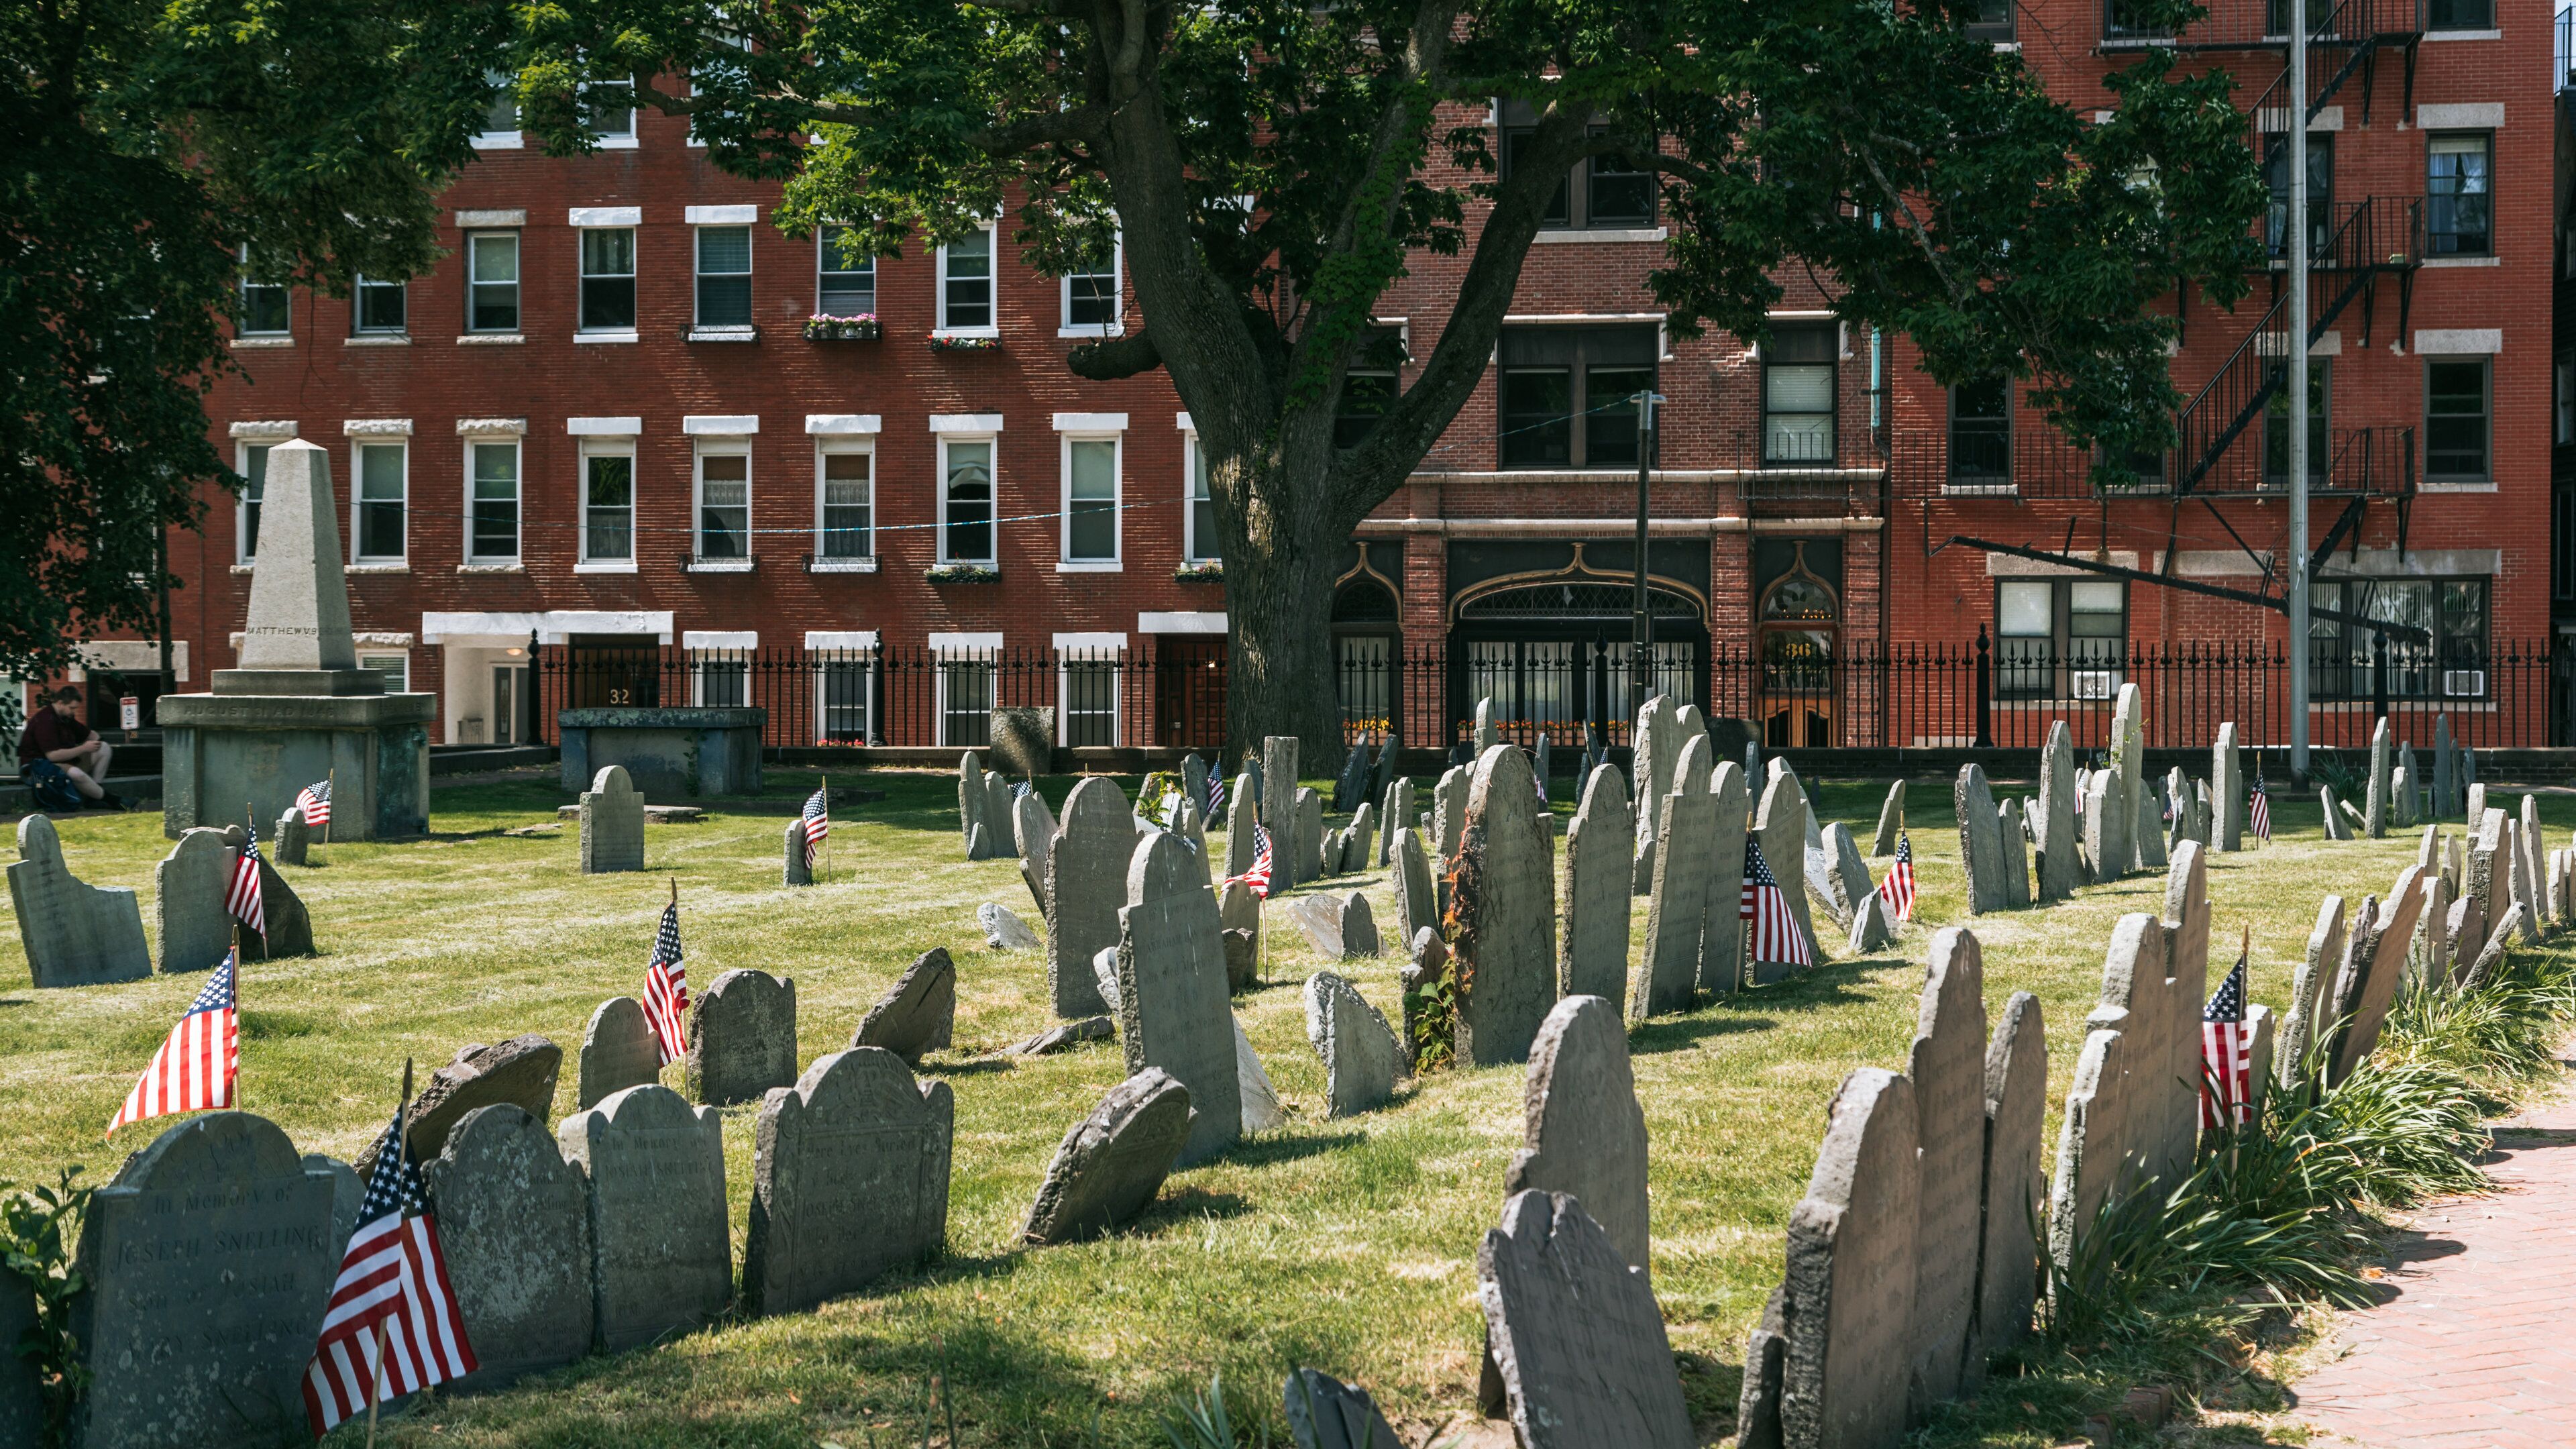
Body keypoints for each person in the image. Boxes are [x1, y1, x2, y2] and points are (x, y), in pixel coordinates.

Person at [17, 688, 121, 809]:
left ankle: (94, 795)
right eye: (72, 708)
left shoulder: (65, 718)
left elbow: (90, 735)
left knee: (103, 748)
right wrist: (83, 749)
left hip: (62, 762)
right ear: (61, 703)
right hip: (40, 768)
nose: (74, 712)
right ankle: (111, 800)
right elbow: (53, 756)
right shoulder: (45, 721)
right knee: (76, 774)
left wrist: (97, 742)